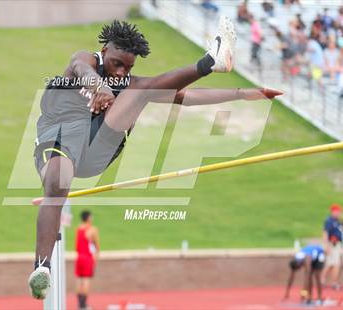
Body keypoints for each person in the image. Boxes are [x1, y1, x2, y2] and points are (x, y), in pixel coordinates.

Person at [28, 17, 282, 299]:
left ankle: (211, 61)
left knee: (142, 92)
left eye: (128, 67)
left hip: (96, 152)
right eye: (117, 64)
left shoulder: (129, 83)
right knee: (58, 183)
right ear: (104, 51)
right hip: (59, 142)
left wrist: (242, 94)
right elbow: (81, 69)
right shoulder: (84, 61)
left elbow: (185, 97)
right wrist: (100, 87)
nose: (121, 72)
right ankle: (43, 267)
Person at [75, 210, 99, 310]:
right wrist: (96, 257)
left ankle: (80, 304)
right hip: (87, 258)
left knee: (79, 281)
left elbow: (76, 246)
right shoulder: (92, 229)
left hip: (79, 257)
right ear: (88, 218)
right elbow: (96, 245)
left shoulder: (78, 229)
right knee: (86, 281)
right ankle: (83, 305)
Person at [321, 204, 343, 290]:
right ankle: (333, 282)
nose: (339, 213)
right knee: (334, 264)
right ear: (333, 211)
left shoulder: (338, 221)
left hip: (338, 244)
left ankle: (323, 280)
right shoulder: (329, 221)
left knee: (331, 264)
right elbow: (325, 233)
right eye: (338, 211)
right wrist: (326, 245)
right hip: (332, 244)